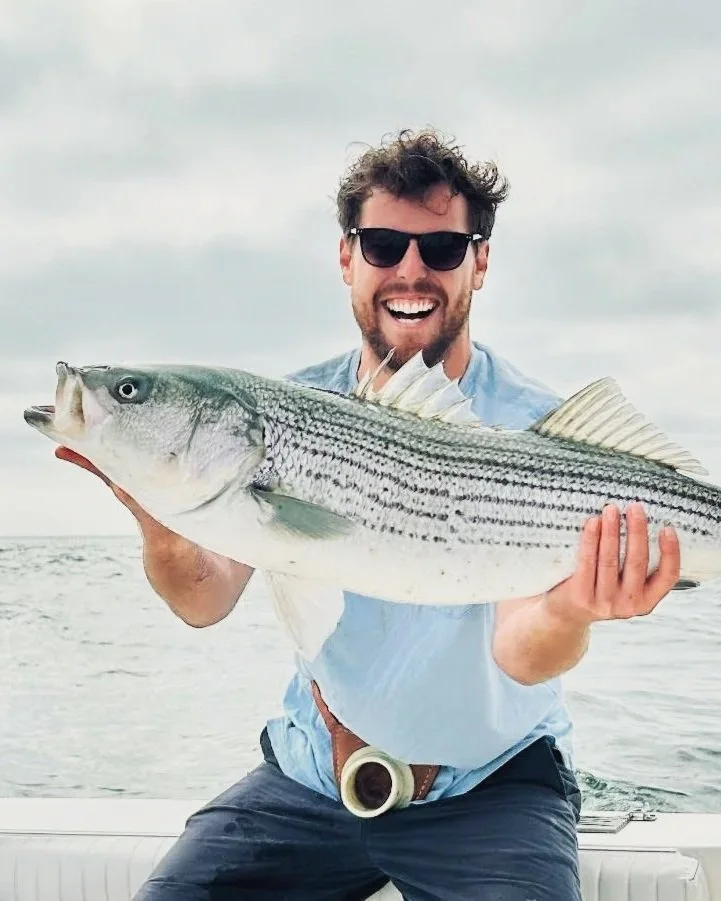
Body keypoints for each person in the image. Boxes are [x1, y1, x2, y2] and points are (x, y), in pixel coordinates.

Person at [57, 128, 682, 900]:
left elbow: (522, 653)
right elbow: (203, 600)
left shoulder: (538, 433)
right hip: (312, 777)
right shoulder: (283, 413)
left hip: (489, 792)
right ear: (347, 257)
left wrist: (575, 607)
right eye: (383, 245)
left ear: (479, 262)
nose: (410, 270)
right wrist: (157, 514)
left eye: (442, 249)